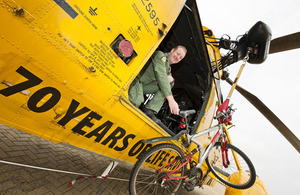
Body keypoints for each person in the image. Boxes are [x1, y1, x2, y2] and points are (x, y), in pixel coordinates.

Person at [129, 45, 187, 122]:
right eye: (178, 54)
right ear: (172, 50)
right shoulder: (160, 55)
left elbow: (167, 82)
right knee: (136, 101)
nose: (178, 58)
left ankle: (150, 109)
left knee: (169, 84)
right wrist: (171, 101)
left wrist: (170, 80)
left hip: (143, 86)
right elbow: (161, 76)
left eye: (180, 58)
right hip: (135, 80)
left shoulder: (168, 69)